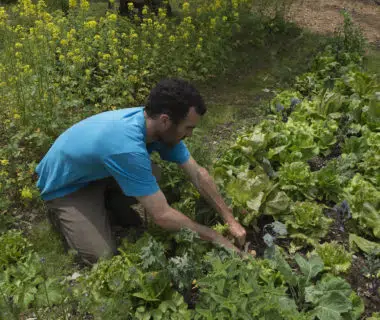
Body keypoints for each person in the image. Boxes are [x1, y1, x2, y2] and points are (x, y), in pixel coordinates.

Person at [35, 78, 247, 265]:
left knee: (153, 174)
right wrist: (214, 237)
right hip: (66, 186)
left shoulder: (156, 126)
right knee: (102, 256)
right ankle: (63, 212)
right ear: (166, 120)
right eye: (188, 128)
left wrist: (231, 221)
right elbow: (162, 216)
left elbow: (197, 174)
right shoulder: (126, 146)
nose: (190, 135)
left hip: (96, 171)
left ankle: (106, 203)